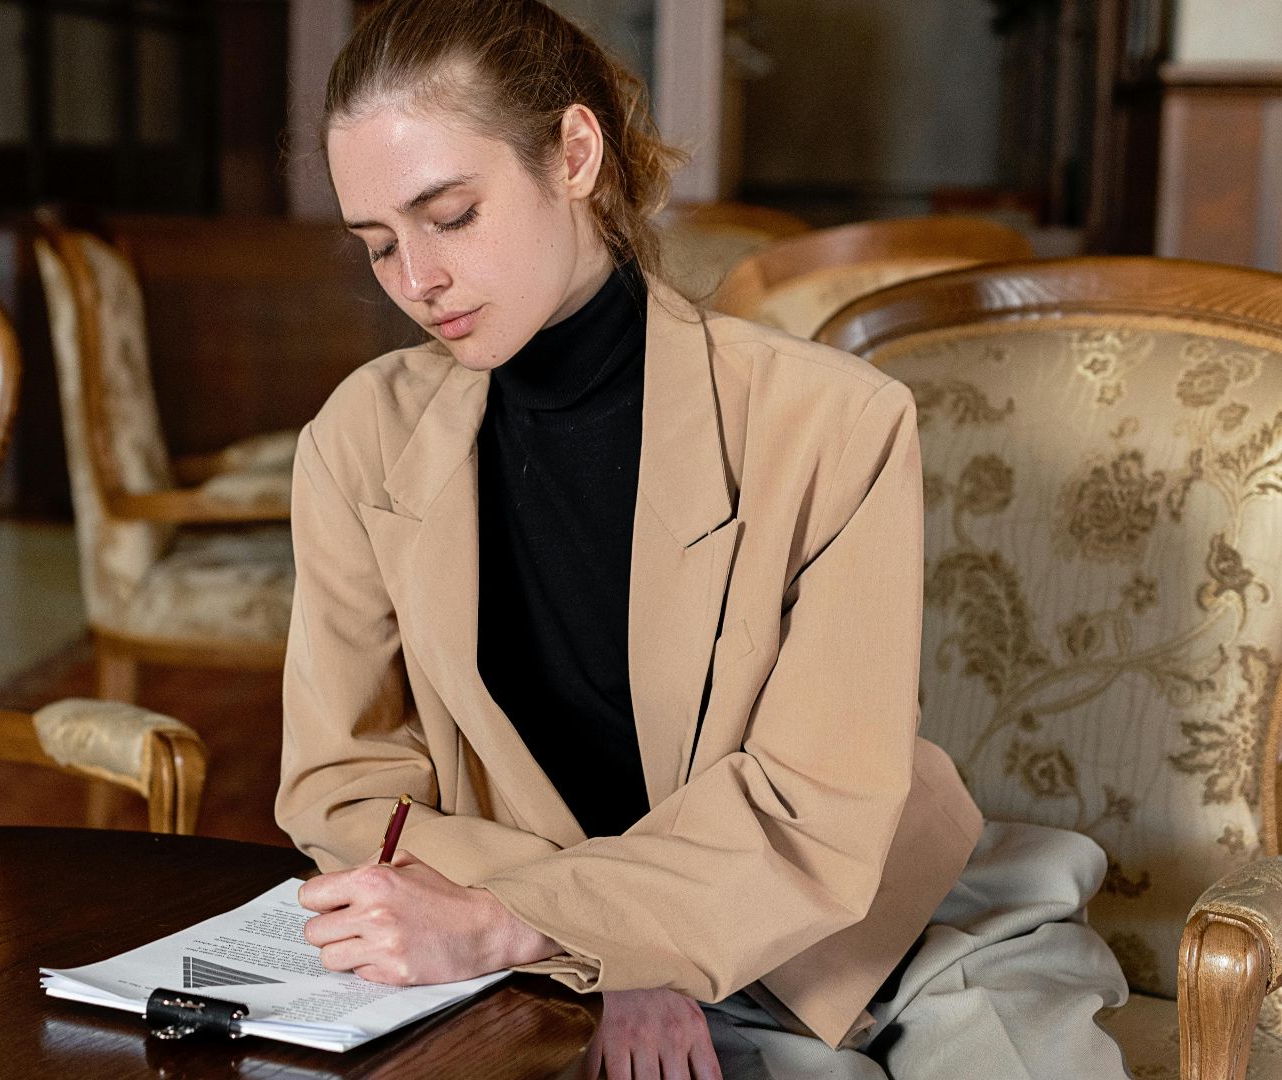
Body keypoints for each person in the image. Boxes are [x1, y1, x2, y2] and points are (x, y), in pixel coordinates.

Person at [274, 1, 1131, 1076]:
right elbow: (343, 790)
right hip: (512, 962)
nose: (417, 279)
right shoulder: (360, 438)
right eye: (379, 244)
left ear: (574, 154)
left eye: (450, 214)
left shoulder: (833, 423)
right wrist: (595, 948)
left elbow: (814, 802)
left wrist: (577, 929)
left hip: (859, 932)